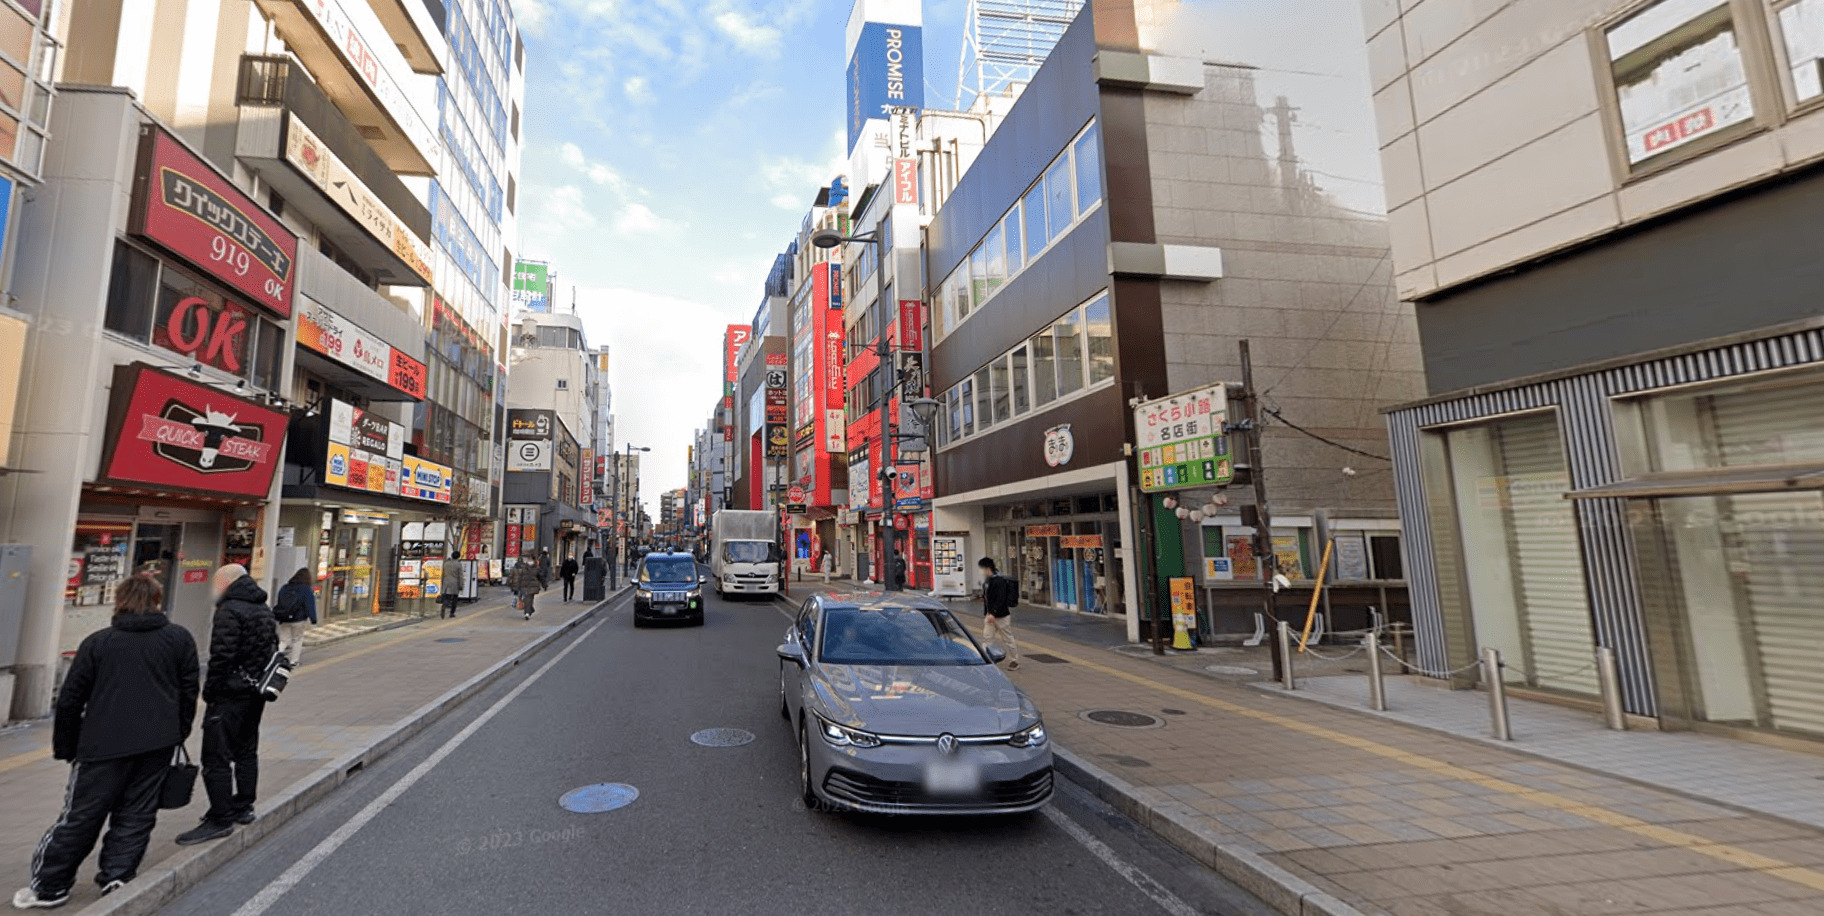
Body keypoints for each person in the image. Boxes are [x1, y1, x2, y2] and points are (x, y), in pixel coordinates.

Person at [14, 575, 199, 908]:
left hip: (101, 745)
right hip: (157, 743)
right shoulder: (178, 639)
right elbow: (189, 692)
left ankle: (50, 886)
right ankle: (118, 875)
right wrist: (178, 732)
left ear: (120, 601)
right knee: (137, 812)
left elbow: (70, 699)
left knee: (82, 815)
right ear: (157, 600)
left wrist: (67, 746)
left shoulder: (99, 643)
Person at [175, 565, 277, 846]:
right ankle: (243, 806)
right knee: (246, 750)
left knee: (216, 756)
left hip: (230, 695)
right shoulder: (263, 609)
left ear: (228, 582)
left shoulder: (230, 611)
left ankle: (220, 817)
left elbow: (221, 657)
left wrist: (210, 692)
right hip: (255, 693)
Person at [978, 557, 1020, 671]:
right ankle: (986, 659)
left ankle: (1014, 660)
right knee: (987, 638)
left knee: (1007, 638)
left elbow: (1001, 599)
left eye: (982, 568)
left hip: (1001, 616)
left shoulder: (999, 581)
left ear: (987, 568)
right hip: (989, 615)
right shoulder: (988, 581)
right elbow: (989, 596)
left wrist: (993, 613)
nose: (981, 571)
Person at [271, 568, 316, 666]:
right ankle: (294, 661)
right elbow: (309, 604)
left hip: (284, 617)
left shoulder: (285, 587)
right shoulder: (306, 589)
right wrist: (313, 619)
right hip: (299, 619)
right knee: (297, 639)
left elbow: (280, 602)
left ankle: (275, 659)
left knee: (283, 640)